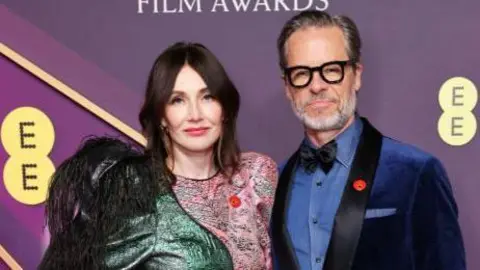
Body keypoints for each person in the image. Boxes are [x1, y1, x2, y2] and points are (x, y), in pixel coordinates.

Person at [39, 42, 278, 269]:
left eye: (207, 97)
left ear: (224, 108)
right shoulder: (138, 192)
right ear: (162, 116)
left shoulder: (256, 173)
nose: (195, 114)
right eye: (178, 100)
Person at [270, 10, 466, 270]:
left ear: (357, 75)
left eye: (331, 70)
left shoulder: (416, 173)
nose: (316, 86)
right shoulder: (272, 183)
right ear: (287, 85)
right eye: (301, 73)